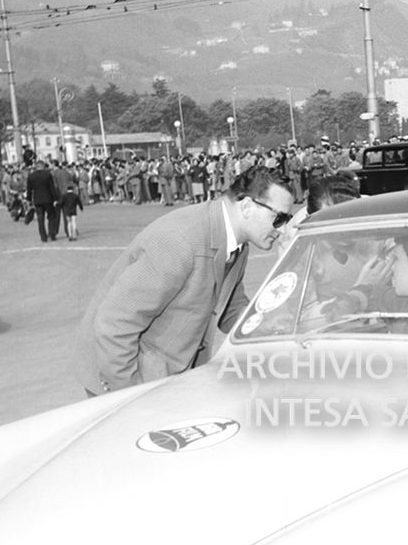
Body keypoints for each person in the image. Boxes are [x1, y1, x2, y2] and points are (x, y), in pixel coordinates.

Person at [71, 166, 294, 396]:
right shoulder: (180, 241)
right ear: (247, 206)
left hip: (171, 374)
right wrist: (130, 398)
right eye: (279, 218)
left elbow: (231, 309)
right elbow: (114, 324)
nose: (283, 228)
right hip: (127, 378)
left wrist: (274, 324)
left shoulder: (237, 243)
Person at [26, 160, 60, 242]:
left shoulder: (31, 176)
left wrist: (29, 200)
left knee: (40, 219)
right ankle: (52, 234)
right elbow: (52, 188)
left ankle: (43, 237)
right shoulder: (47, 175)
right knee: (51, 217)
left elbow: (29, 190)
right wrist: (55, 198)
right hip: (48, 199)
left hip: (37, 200)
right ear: (43, 166)